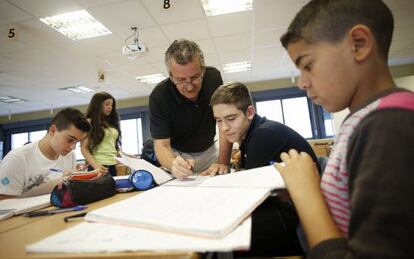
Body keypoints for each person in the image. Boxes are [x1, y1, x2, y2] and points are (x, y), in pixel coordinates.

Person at [276, 0, 414, 258]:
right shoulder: (361, 119)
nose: (302, 83)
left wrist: (306, 194)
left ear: (358, 44)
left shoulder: (390, 125)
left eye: (307, 65)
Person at [211, 81, 318, 256]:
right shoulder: (253, 133)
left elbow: (249, 196)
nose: (224, 128)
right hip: (291, 205)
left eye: (231, 119)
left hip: (302, 218)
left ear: (250, 112)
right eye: (218, 121)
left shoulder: (263, 136)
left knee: (239, 233)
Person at [149, 39, 232, 179]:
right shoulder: (159, 97)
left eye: (195, 77)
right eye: (181, 80)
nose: (189, 86)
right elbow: (162, 145)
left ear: (203, 70)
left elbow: (224, 124)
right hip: (178, 156)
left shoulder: (214, 79)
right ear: (171, 76)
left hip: (210, 151)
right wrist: (173, 164)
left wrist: (223, 162)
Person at [0, 108, 91, 200]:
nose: (73, 147)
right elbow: (6, 204)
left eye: (77, 142)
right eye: (70, 140)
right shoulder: (17, 158)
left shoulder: (69, 156)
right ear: (52, 130)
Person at [81, 92, 121, 176]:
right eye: (107, 104)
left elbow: (112, 145)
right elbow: (84, 148)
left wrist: (126, 156)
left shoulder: (110, 123)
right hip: (98, 165)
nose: (110, 107)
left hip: (112, 165)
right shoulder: (89, 122)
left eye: (112, 105)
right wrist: (96, 165)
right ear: (98, 105)